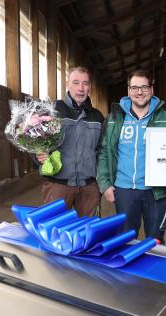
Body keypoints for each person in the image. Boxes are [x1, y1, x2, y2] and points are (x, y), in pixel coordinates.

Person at [97, 69, 166, 243]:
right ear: (128, 90)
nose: (139, 92)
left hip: (156, 191)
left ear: (151, 89)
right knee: (125, 241)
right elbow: (104, 151)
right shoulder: (115, 118)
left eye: (144, 87)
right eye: (135, 87)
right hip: (124, 189)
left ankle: (155, 269)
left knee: (156, 243)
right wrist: (105, 184)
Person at [36, 66, 105, 217]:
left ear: (90, 87)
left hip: (89, 186)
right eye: (76, 82)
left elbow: (102, 152)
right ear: (67, 84)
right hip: (58, 185)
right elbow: (34, 140)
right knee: (54, 231)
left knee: (89, 233)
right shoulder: (52, 111)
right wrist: (39, 156)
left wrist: (102, 182)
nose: (80, 88)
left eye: (85, 83)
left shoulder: (98, 117)